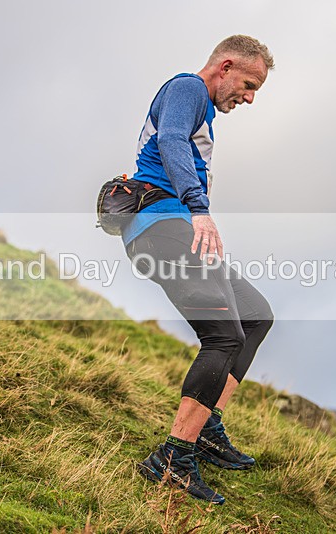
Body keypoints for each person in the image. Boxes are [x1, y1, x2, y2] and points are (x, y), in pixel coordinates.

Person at [123, 35, 275, 505]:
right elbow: (168, 141)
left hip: (179, 229)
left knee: (254, 316)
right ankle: (172, 457)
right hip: (162, 227)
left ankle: (206, 427)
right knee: (224, 335)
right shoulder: (187, 88)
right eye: (248, 84)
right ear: (225, 66)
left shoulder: (203, 110)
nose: (249, 98)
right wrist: (199, 207)